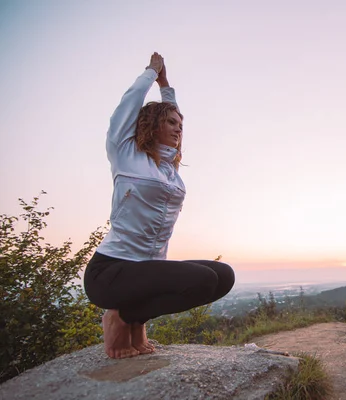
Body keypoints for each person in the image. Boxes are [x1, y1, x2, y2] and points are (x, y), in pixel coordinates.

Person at [84, 52, 235, 359]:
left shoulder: (169, 170)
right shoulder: (125, 153)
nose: (179, 129)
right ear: (152, 124)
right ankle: (120, 317)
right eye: (170, 122)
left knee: (223, 276)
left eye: (180, 124)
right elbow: (127, 106)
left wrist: (169, 89)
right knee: (203, 279)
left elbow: (177, 122)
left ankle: (134, 317)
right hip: (112, 271)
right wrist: (153, 74)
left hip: (148, 270)